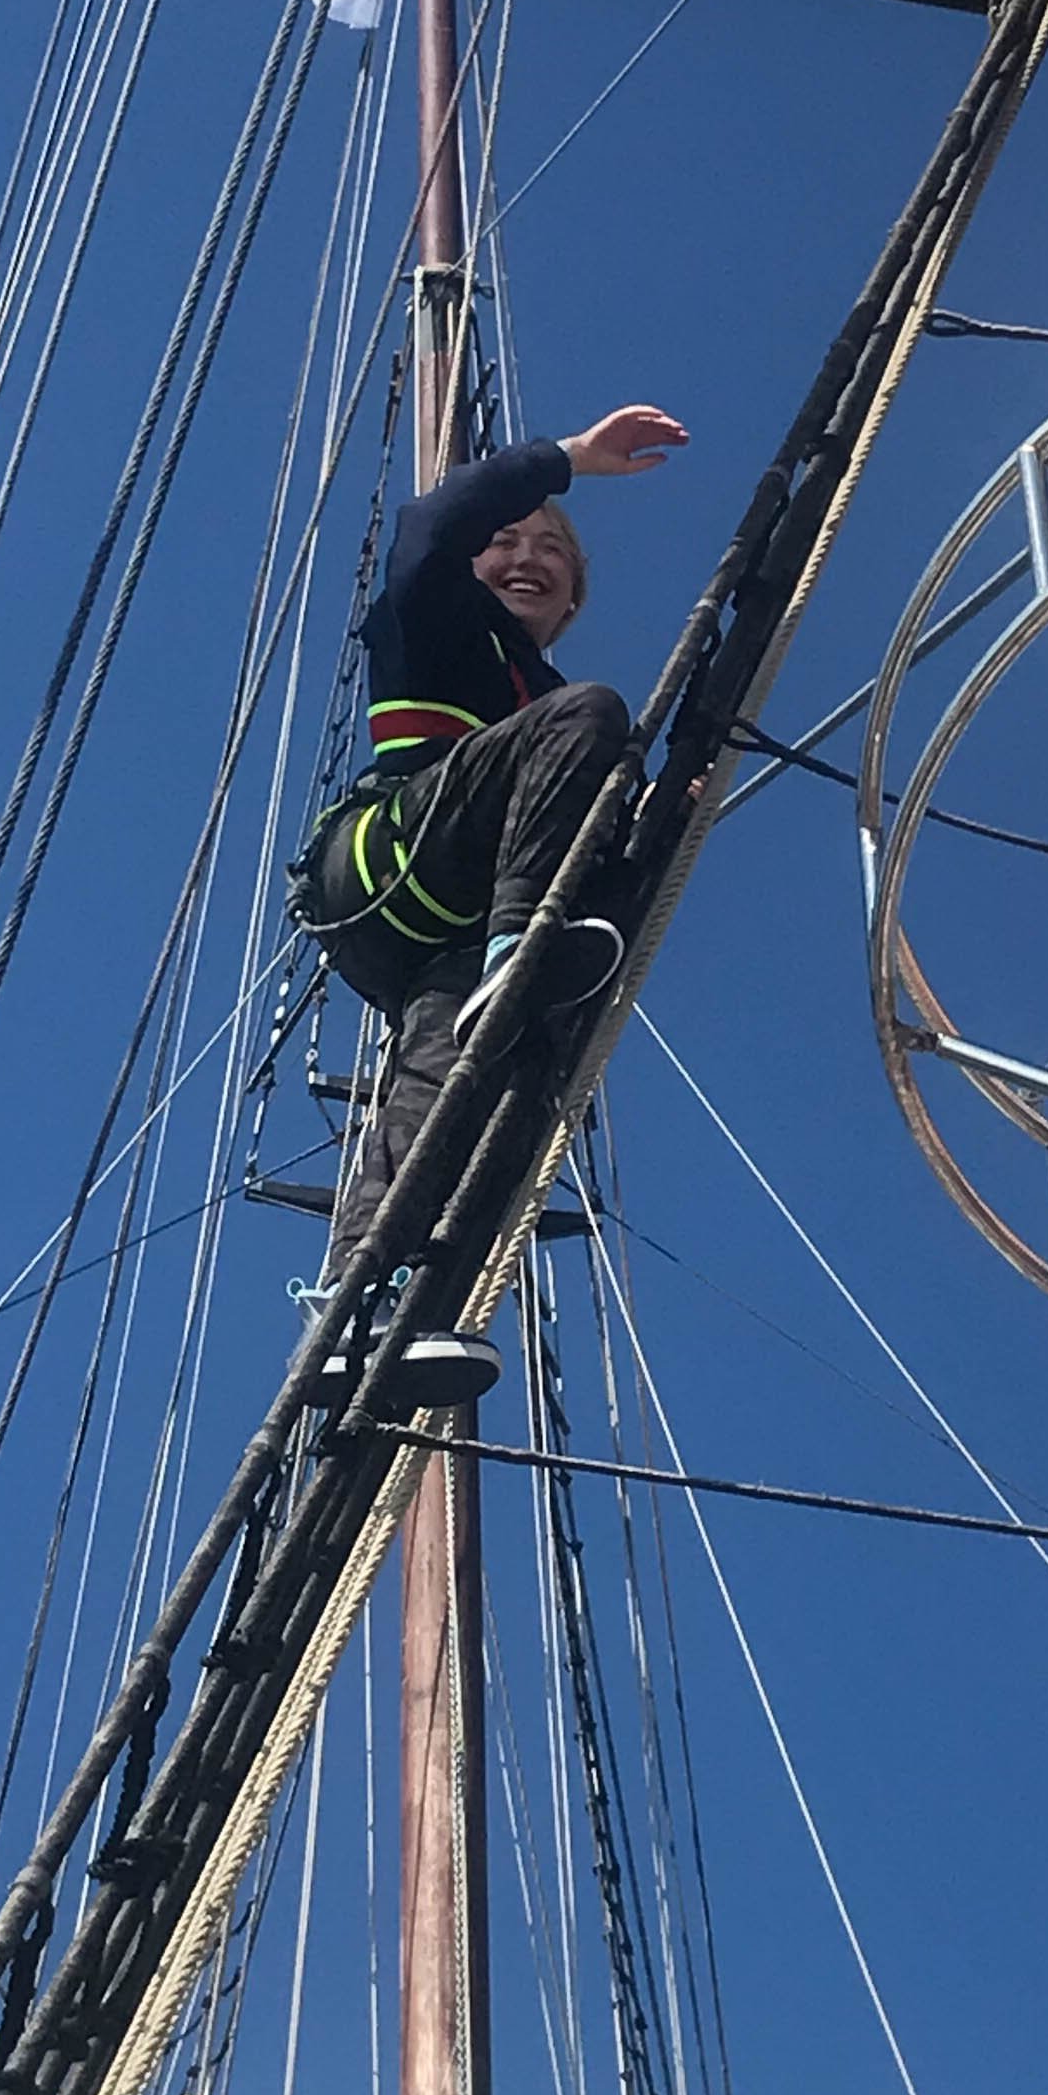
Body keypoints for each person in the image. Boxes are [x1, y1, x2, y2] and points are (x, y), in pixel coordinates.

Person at [293, 401, 686, 1397]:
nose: (528, 556)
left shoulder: (540, 695)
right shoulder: (438, 616)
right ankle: (523, 950)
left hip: (437, 942)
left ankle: (364, 1312)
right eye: (508, 541)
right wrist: (566, 465)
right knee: (594, 717)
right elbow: (431, 526)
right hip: (386, 860)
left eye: (552, 552)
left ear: (572, 600)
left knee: (486, 1078)